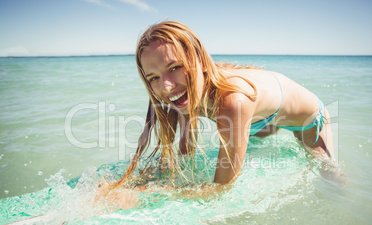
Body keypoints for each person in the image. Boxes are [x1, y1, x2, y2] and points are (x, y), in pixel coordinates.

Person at [111, 21, 335, 193]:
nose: (166, 86)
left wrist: (150, 198)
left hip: (307, 119)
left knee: (330, 174)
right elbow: (184, 152)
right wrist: (138, 184)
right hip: (262, 118)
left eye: (175, 67)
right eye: (153, 78)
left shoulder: (233, 102)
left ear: (199, 59)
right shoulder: (185, 95)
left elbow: (223, 187)